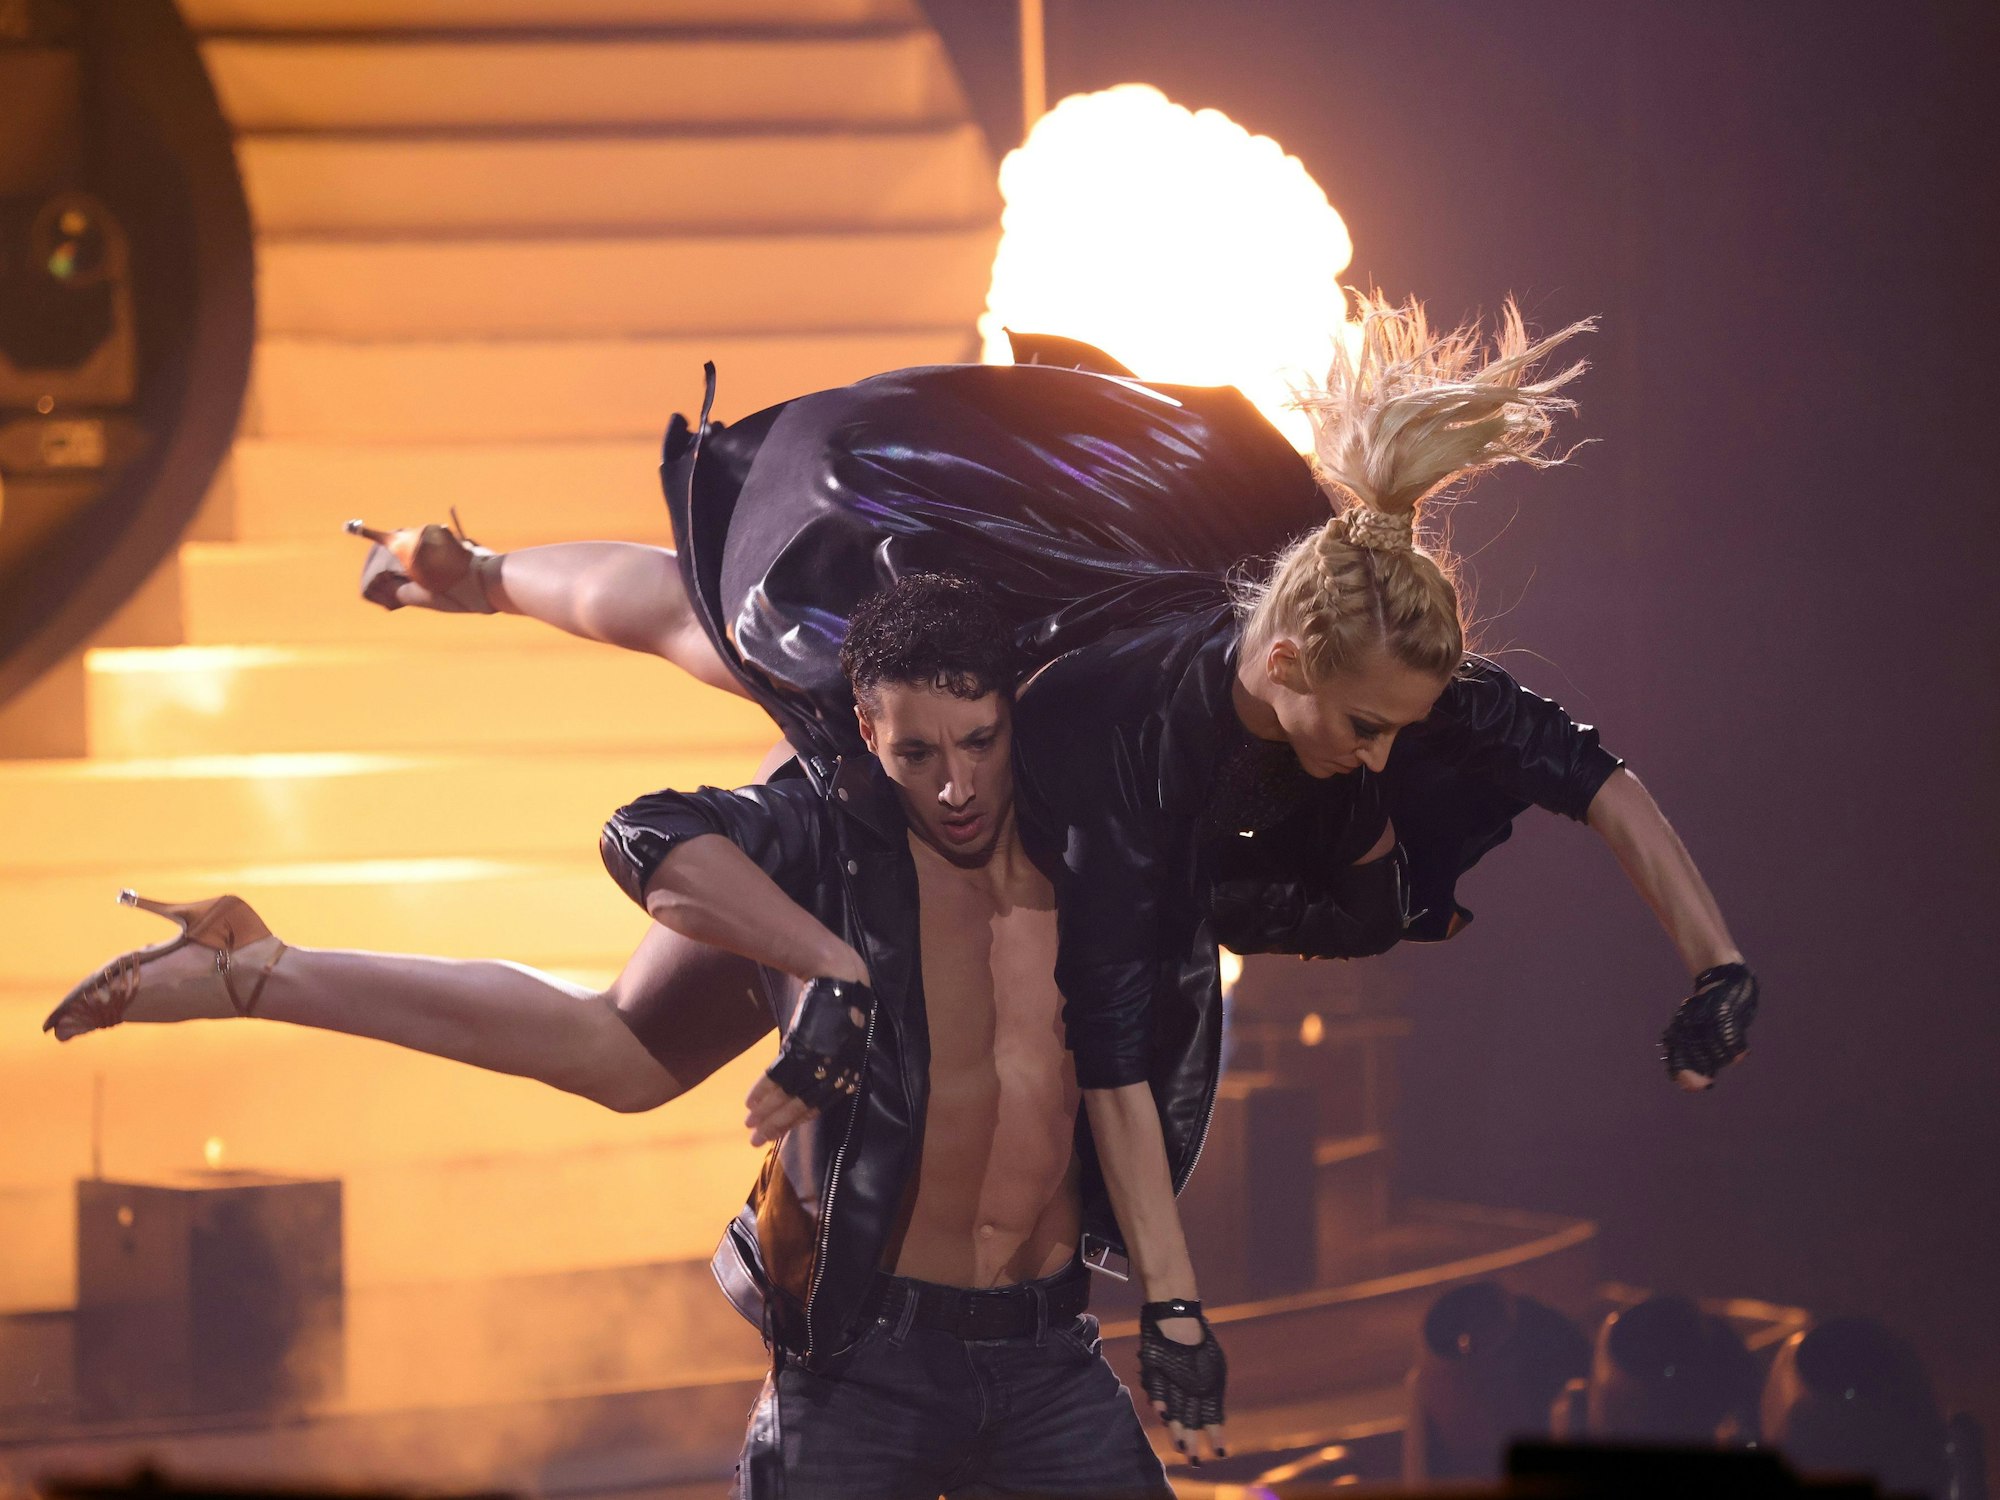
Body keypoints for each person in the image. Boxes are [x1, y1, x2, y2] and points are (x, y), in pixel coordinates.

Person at [47, 574, 1191, 1498]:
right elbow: (664, 624)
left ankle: (261, 972)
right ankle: (262, 975)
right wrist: (490, 578)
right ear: (867, 731)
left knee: (614, 1054)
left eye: (977, 744)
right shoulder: (823, 783)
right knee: (616, 1054)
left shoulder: (1098, 802)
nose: (953, 787)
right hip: (864, 1336)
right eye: (917, 756)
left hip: (1043, 1351)